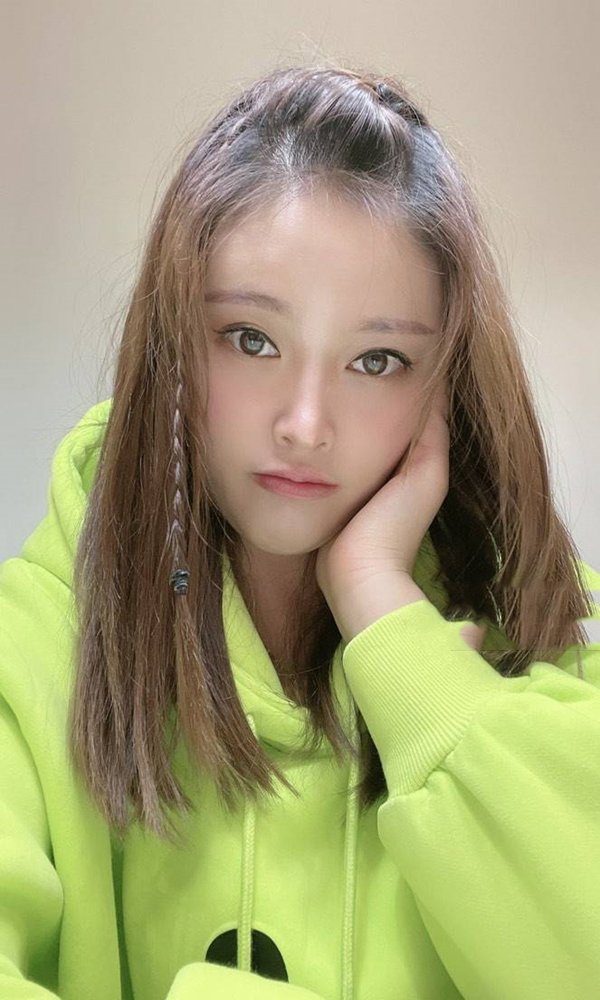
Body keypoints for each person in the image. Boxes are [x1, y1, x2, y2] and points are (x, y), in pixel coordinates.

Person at [1, 62, 599, 1000]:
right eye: (251, 339)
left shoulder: (539, 659)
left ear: (443, 387)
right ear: (171, 343)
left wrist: (389, 620)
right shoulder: (30, 648)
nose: (306, 424)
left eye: (377, 359)